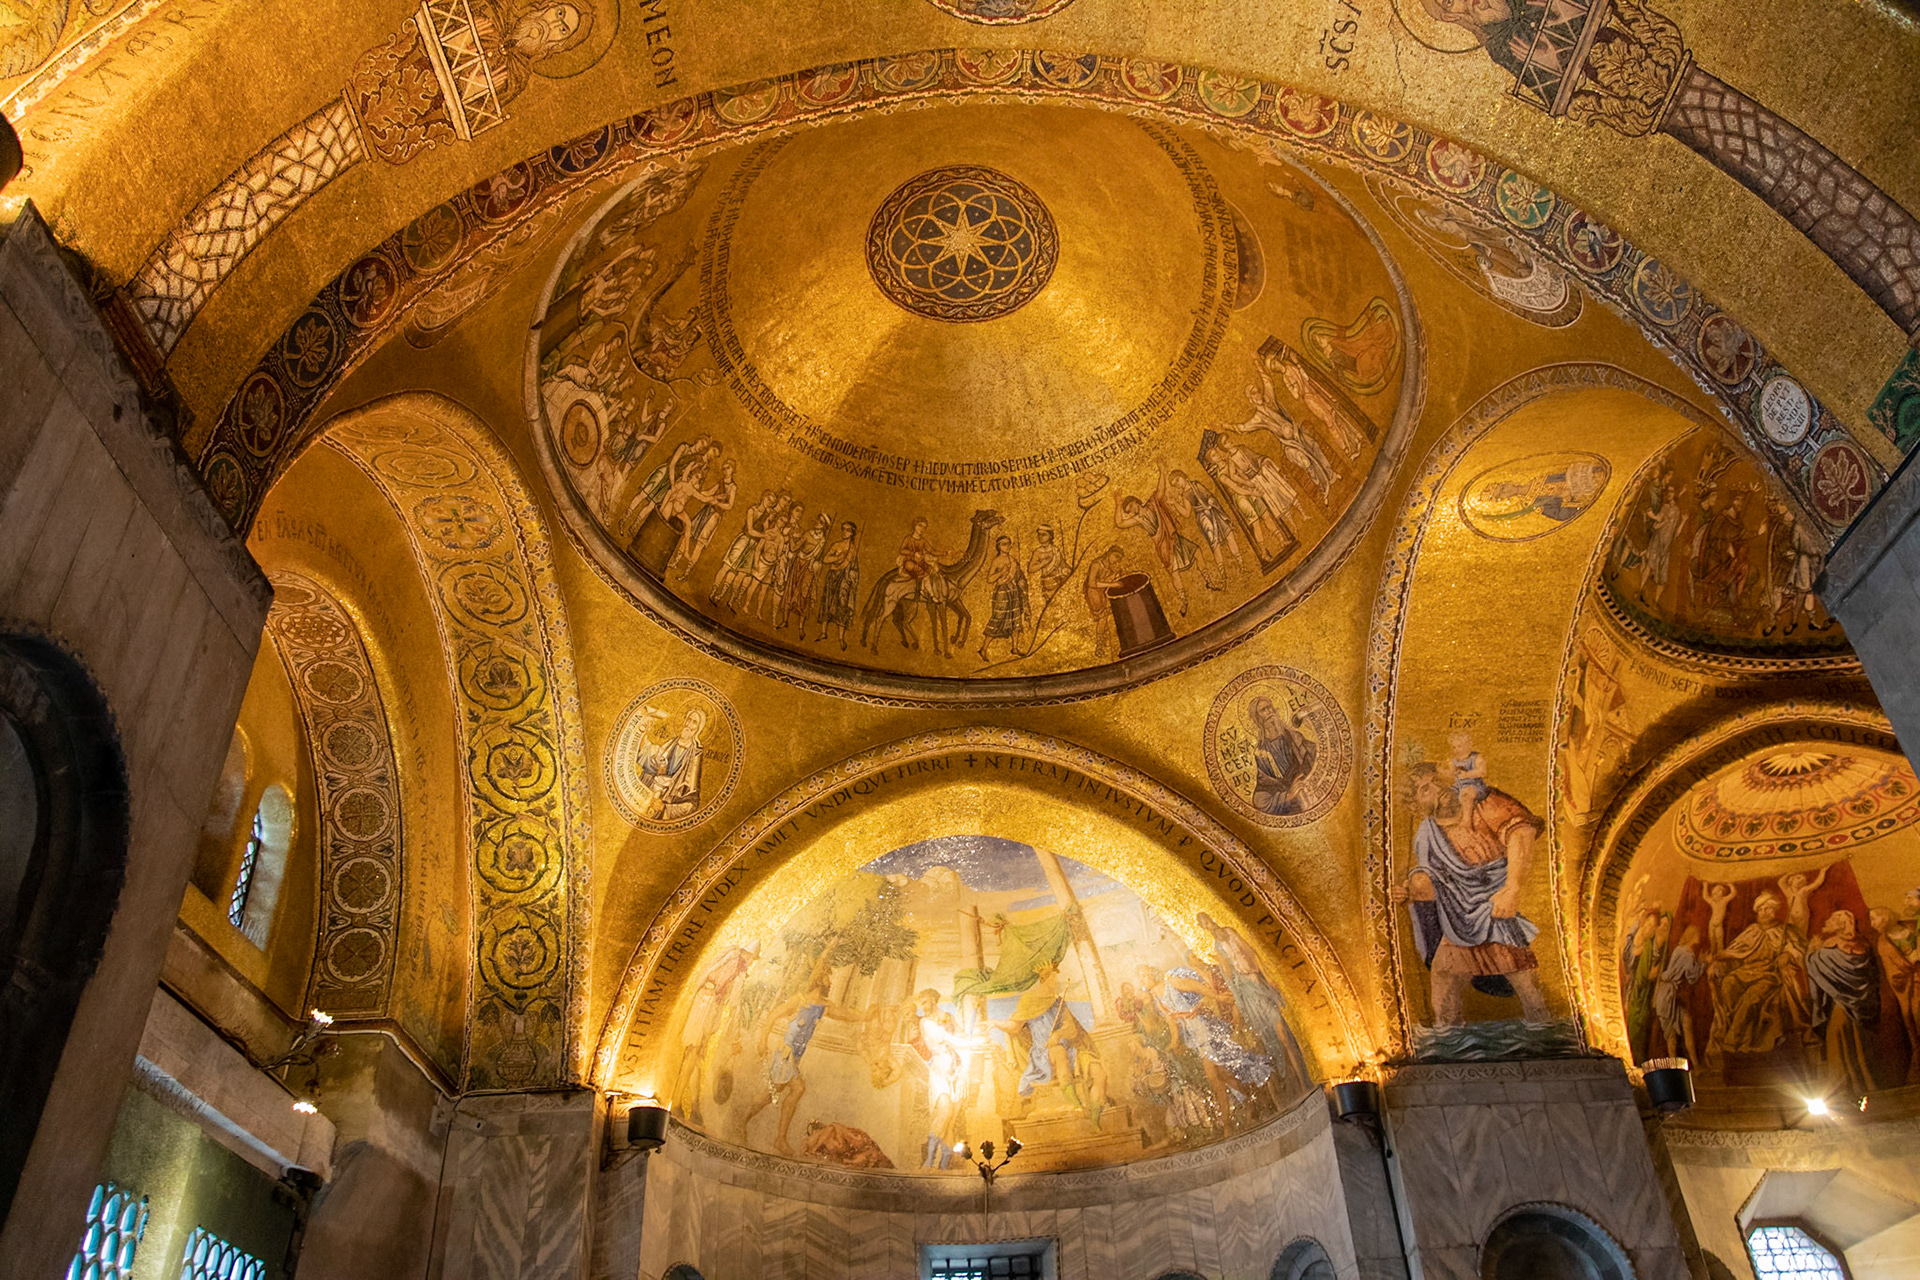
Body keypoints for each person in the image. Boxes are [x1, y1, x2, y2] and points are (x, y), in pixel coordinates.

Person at [1393, 761, 1550, 1025]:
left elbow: (1521, 831)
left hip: (1494, 907)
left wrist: (1512, 886)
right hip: (1459, 917)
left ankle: (1547, 1041)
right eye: (1424, 790)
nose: (1436, 789)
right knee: (1444, 981)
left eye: (1435, 780)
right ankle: (1446, 1049)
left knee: (1525, 982)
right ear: (1417, 804)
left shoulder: (1483, 803)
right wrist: (1408, 889)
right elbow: (1437, 878)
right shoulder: (1427, 834)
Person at [740, 970, 859, 1156]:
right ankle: (777, 1137)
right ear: (820, 979)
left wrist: (867, 1016)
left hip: (794, 1058)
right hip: (784, 1054)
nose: (831, 983)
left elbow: (845, 1015)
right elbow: (772, 1016)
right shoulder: (799, 1000)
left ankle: (746, 1120)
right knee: (797, 1089)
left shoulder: (824, 1006)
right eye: (828, 977)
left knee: (770, 1094)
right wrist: (762, 1041)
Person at [1198, 912, 1309, 1098]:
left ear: (1212, 919)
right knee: (1274, 1040)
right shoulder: (1217, 947)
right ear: (1204, 929)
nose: (1209, 926)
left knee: (1283, 1034)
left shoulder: (1230, 933)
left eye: (1208, 921)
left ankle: (1304, 1080)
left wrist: (1267, 975)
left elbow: (1251, 952)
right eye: (1205, 926)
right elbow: (1228, 974)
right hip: (1248, 992)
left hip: (1258, 983)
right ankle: (1295, 1084)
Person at [1704, 884, 1809, 1061]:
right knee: (1728, 983)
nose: (1766, 912)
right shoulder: (1751, 930)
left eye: (1770, 908)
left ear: (1775, 910)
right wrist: (1716, 961)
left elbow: (1798, 947)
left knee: (1751, 998)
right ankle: (1729, 1024)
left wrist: (1787, 953)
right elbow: (1735, 950)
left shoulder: (1785, 930)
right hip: (1745, 971)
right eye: (1762, 908)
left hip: (1768, 975)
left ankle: (1733, 1040)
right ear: (1757, 911)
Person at [1805, 909, 1881, 1097]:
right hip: (1862, 1007)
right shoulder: (1864, 946)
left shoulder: (1829, 948)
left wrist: (1811, 952)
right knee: (1857, 1040)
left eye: (1832, 920)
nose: (1829, 923)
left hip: (1841, 1005)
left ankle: (1843, 1085)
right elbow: (1869, 975)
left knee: (1836, 1036)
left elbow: (1815, 966)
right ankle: (1863, 1082)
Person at [1115, 480, 1205, 613]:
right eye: (1129, 511)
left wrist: (1162, 471)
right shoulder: (1137, 520)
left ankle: (1208, 579)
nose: (1132, 511)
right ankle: (1183, 600)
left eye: (1131, 507)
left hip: (1172, 537)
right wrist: (1118, 504)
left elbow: (1160, 491)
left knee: (1197, 552)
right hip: (1162, 544)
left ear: (1135, 502)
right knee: (1173, 572)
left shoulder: (1152, 505)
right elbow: (1120, 523)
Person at [1206, 440, 1300, 563]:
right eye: (1213, 455)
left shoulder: (1230, 461)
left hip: (1249, 490)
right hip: (1241, 497)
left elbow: (1240, 475)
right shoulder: (1221, 475)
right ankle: (1263, 552)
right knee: (1255, 522)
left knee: (1266, 515)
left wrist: (1251, 485)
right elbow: (1236, 488)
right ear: (1212, 461)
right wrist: (1251, 491)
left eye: (1216, 452)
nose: (1217, 455)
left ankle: (1282, 540)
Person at [1167, 469, 1241, 581]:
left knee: (1229, 534)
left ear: (1182, 476)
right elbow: (1187, 513)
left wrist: (1211, 500)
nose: (1178, 484)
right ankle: (1223, 573)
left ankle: (1241, 563)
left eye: (1177, 480)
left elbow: (1208, 495)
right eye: (1174, 484)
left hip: (1214, 512)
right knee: (1214, 543)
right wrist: (1175, 503)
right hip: (1203, 517)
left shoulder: (1196, 484)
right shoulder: (1185, 495)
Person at [1249, 695, 1317, 816]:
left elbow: (1313, 755)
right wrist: (1287, 796)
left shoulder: (1293, 736)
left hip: (1308, 786)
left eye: (1269, 708)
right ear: (1258, 719)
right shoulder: (1261, 753)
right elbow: (1264, 786)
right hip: (1291, 801)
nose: (1269, 712)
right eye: (1263, 710)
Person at [637, 707, 706, 821]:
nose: (689, 724)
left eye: (694, 722)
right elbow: (651, 761)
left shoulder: (695, 755)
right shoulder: (671, 744)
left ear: (698, 729)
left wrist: (664, 808)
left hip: (665, 802)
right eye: (688, 720)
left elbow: (691, 804)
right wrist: (642, 733)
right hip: (650, 793)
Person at [978, 535, 1029, 661]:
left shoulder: (1013, 560)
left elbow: (1019, 576)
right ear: (999, 546)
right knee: (998, 619)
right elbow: (989, 579)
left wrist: (1021, 581)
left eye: (1009, 544)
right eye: (1005, 544)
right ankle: (983, 648)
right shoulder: (997, 561)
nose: (1008, 546)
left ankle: (1015, 647)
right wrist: (1001, 572)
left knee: (1015, 618)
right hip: (1002, 593)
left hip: (1013, 591)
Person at [815, 521, 861, 649]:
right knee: (827, 602)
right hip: (833, 576)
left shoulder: (853, 549)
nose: (844, 532)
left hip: (845, 578)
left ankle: (841, 638)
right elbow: (825, 559)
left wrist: (853, 573)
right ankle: (823, 632)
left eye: (847, 530)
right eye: (843, 529)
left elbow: (855, 566)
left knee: (842, 605)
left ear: (852, 533)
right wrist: (837, 558)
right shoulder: (836, 545)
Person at [1081, 545, 1127, 660]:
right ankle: (1099, 645)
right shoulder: (1097, 564)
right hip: (1093, 592)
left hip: (1101, 591)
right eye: (1116, 556)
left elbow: (1104, 580)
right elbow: (1092, 583)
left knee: (1105, 617)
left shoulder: (1109, 566)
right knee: (1103, 617)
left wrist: (1115, 576)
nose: (1117, 560)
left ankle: (1102, 642)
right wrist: (1112, 584)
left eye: (1119, 558)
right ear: (1109, 553)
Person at [1448, 728, 1488, 832]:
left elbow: (1482, 772)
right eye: (1454, 747)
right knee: (1447, 794)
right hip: (1458, 786)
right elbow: (1450, 776)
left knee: (1466, 793)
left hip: (1474, 786)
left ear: (1467, 745)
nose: (1456, 749)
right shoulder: (1453, 761)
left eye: (1459, 746)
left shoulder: (1476, 757)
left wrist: (1467, 774)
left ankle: (1466, 822)